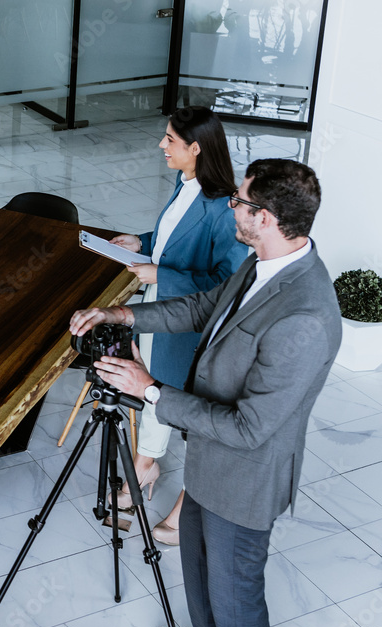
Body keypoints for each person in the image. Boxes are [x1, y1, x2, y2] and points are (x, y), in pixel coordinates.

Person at [70, 159, 341, 627]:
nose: (231, 207)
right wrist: (122, 313)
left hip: (244, 478)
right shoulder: (260, 261)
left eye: (240, 202)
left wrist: (150, 390)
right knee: (197, 562)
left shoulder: (304, 316)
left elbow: (250, 427)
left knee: (236, 592)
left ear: (266, 217)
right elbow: (202, 308)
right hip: (209, 460)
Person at [108, 107, 248, 546]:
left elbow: (226, 283)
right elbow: (170, 243)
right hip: (156, 310)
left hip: (183, 325)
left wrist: (161, 276)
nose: (161, 146)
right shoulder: (183, 182)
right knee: (148, 390)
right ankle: (146, 465)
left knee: (162, 394)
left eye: (169, 139)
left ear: (196, 148)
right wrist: (140, 243)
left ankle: (151, 473)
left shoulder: (223, 209)